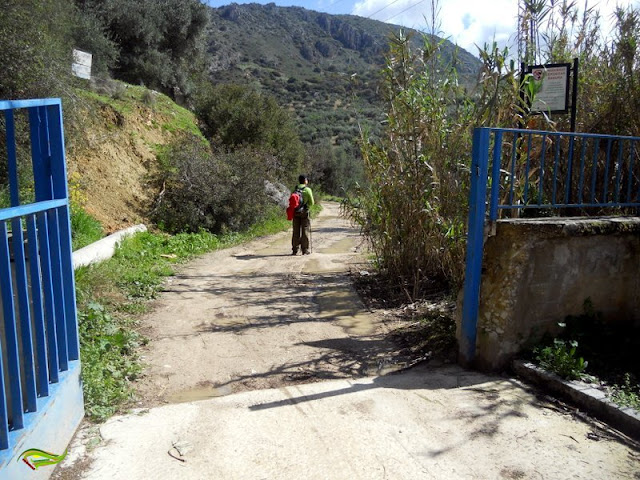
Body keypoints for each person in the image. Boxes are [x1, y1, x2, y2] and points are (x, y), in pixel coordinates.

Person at [291, 174, 314, 255]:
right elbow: (312, 202)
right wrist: (306, 206)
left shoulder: (295, 189)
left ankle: (295, 249)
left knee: (295, 231)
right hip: (304, 212)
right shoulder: (307, 190)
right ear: (305, 181)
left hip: (295, 212)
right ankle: (304, 250)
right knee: (305, 230)